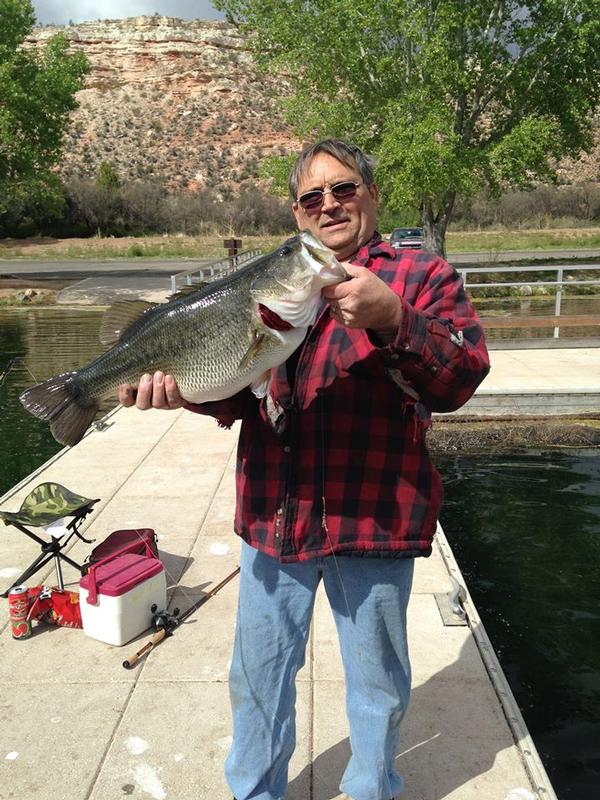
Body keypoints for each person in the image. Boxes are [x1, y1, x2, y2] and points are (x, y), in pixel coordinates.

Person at [119, 139, 490, 800]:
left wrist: (395, 318)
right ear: (297, 213)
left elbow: (460, 376)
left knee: (377, 684)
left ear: (372, 196)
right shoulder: (278, 277)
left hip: (373, 519)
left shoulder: (421, 275)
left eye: (344, 188)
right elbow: (240, 391)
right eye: (312, 196)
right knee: (258, 678)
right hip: (275, 515)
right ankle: (255, 792)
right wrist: (182, 391)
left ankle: (371, 789)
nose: (330, 205)